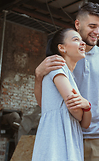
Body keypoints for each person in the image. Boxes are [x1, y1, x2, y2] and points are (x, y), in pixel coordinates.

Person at [34, 2, 99, 161]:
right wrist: (38, 75)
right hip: (68, 133)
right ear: (77, 24)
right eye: (92, 26)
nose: (97, 32)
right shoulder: (59, 62)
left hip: (98, 137)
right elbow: (46, 102)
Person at [32, 28, 91, 161]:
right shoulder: (57, 68)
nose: (83, 43)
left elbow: (85, 123)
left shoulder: (68, 75)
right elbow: (77, 112)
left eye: (82, 40)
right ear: (62, 48)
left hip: (66, 138)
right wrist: (83, 109)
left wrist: (86, 105)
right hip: (57, 140)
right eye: (76, 40)